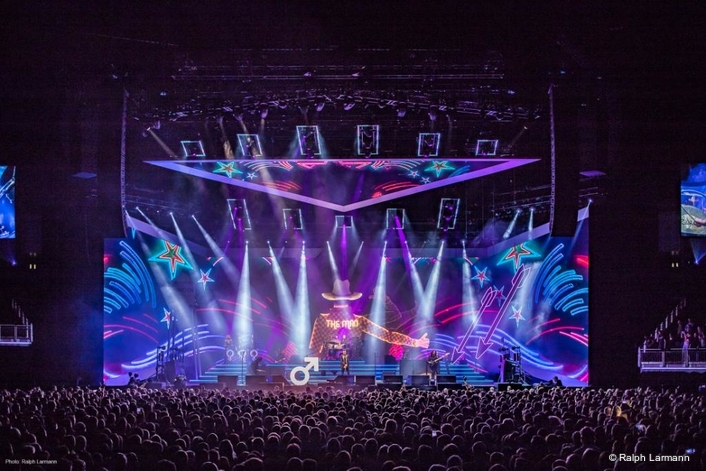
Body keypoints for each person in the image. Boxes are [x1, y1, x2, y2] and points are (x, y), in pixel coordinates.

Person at [309, 280, 429, 357]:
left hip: (335, 368)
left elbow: (313, 350)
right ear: (350, 298)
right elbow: (388, 335)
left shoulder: (321, 320)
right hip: (349, 367)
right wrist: (415, 342)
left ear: (333, 298)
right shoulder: (359, 320)